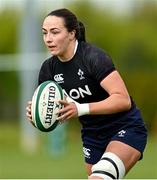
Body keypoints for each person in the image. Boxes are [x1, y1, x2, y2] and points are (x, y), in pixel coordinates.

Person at [26, 8, 147, 179]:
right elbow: (57, 114)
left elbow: (123, 99)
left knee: (100, 177)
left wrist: (80, 108)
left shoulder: (93, 57)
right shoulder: (49, 69)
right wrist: (38, 115)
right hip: (92, 135)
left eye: (55, 32)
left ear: (72, 33)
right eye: (44, 33)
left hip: (125, 127)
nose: (48, 39)